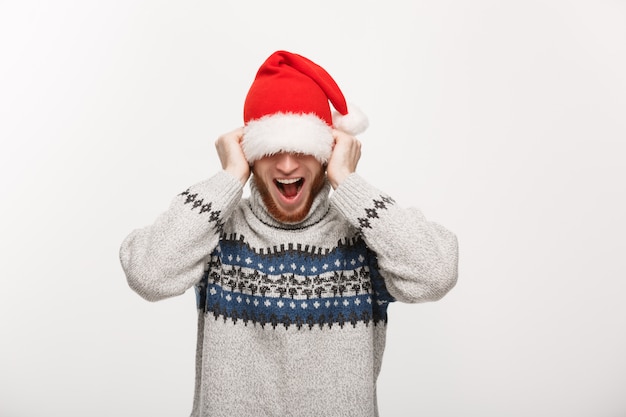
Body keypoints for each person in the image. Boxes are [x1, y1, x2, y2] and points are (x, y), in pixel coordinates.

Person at [120, 50, 459, 417]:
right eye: (269, 149)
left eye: (301, 148)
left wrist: (348, 181)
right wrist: (228, 178)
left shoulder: (364, 237)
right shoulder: (216, 230)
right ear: (250, 154)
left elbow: (436, 274)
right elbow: (148, 275)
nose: (285, 164)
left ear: (327, 152)